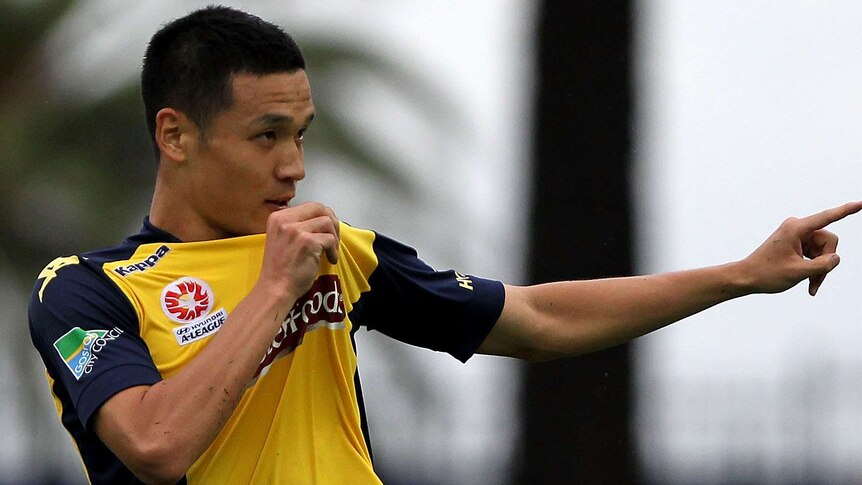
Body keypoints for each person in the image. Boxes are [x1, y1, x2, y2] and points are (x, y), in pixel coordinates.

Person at [27, 5, 860, 485]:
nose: (296, 165)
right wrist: (275, 290)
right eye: (266, 135)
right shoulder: (87, 289)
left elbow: (534, 319)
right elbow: (156, 446)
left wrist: (743, 274)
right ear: (176, 135)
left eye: (302, 133)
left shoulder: (337, 252)